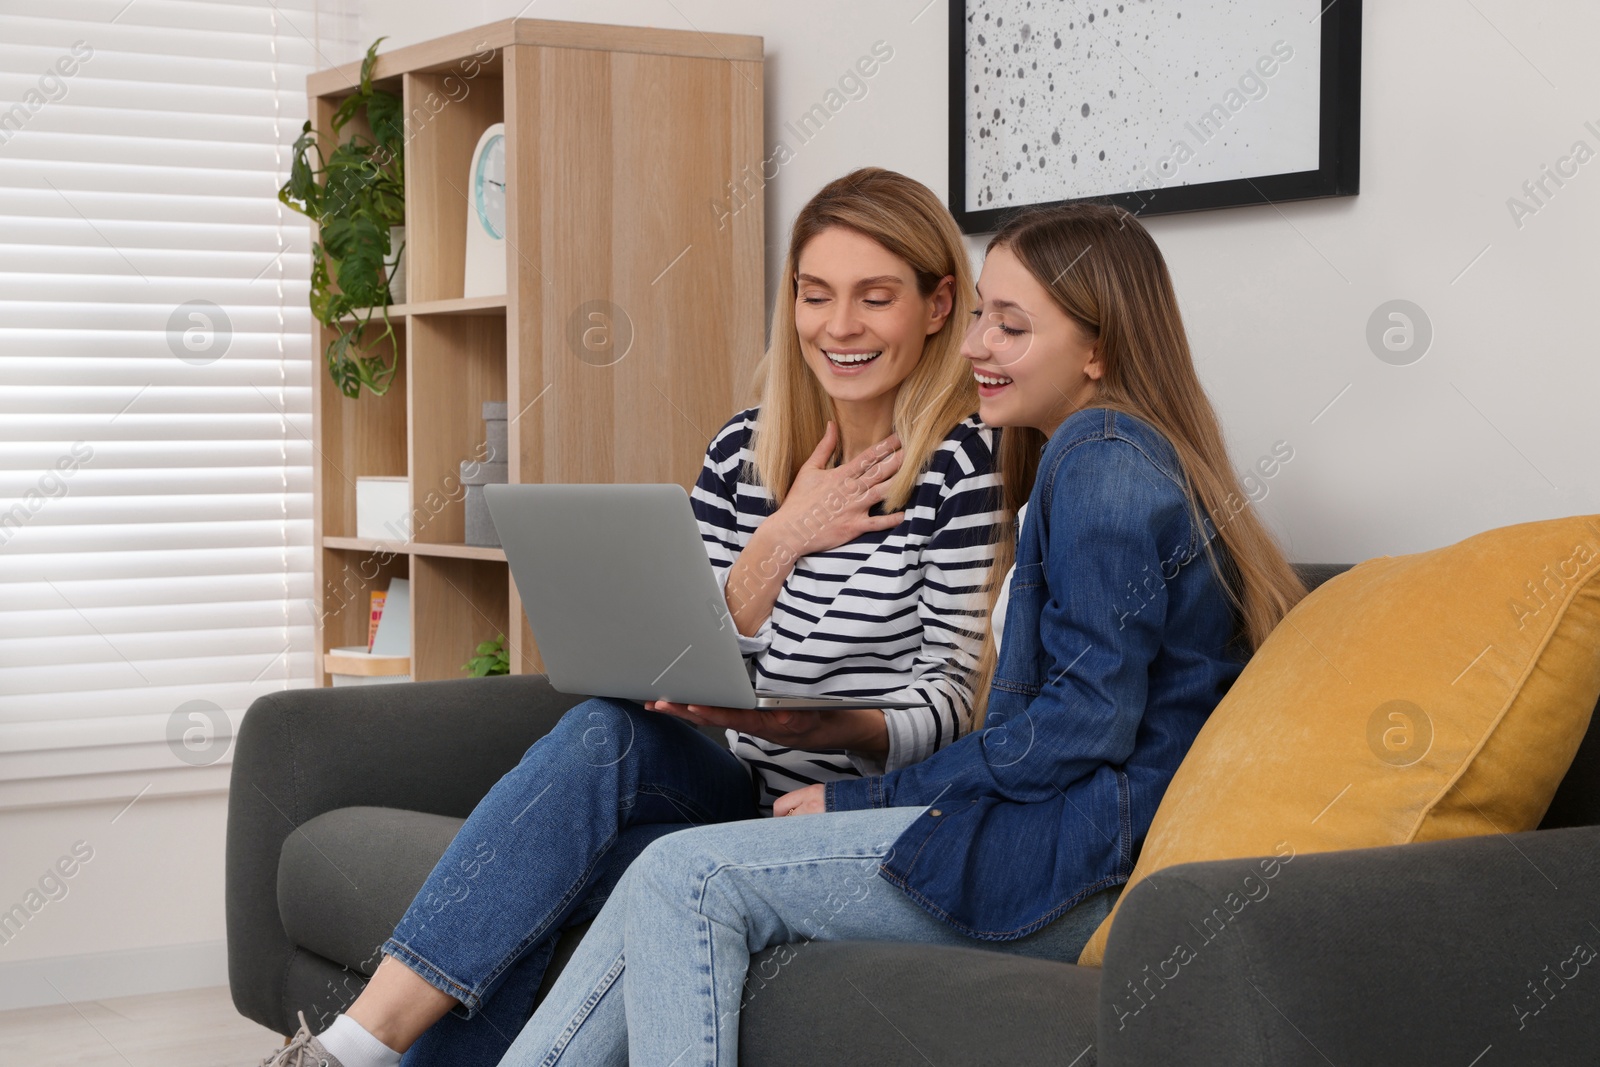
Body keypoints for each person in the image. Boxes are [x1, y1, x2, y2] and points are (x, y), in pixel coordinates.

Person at [495, 201, 1309, 1067]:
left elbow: (1078, 727)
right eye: (982, 316)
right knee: (664, 866)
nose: (974, 345)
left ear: (1099, 348)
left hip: (1078, 860)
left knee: (683, 875)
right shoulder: (1086, 453)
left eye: (1010, 325)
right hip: (1066, 834)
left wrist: (862, 797)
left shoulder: (1103, 461)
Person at [260, 167, 1004, 1067]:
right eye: (815, 295)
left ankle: (348, 1053)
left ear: (936, 307)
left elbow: (956, 702)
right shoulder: (743, 451)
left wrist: (814, 723)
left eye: (874, 298)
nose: (838, 326)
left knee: (570, 882)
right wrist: (780, 541)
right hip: (725, 780)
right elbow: (678, 646)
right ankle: (350, 1048)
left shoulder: (969, 467)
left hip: (839, 810)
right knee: (602, 733)